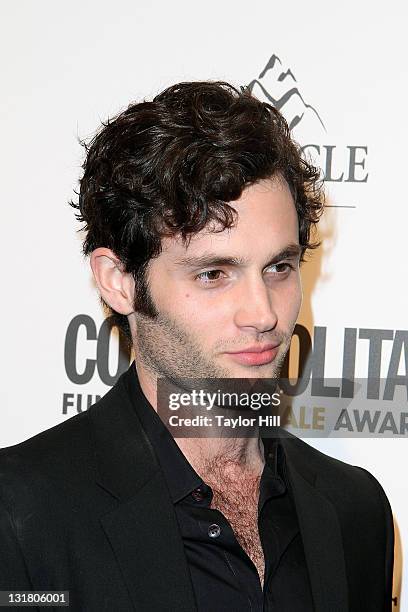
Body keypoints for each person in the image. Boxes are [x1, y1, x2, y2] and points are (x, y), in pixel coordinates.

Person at [0, 81, 393, 611]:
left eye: (279, 267)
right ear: (119, 281)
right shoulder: (20, 516)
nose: (265, 314)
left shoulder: (354, 509)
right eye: (213, 274)